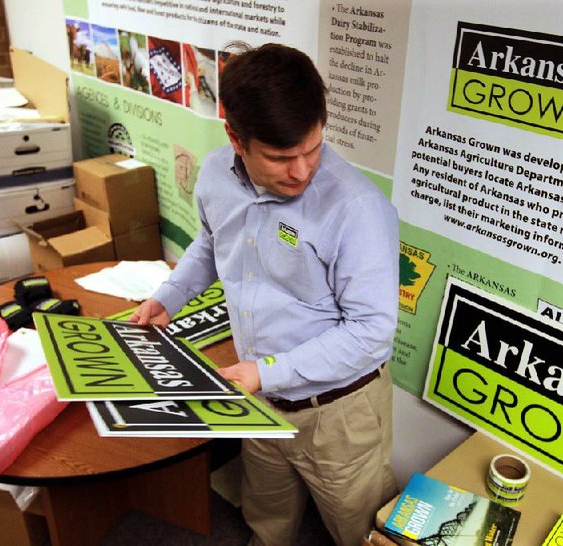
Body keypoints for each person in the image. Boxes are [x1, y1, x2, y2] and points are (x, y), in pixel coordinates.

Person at [131, 43, 399, 546]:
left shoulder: (357, 208)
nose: (301, 171)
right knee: (266, 515)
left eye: (312, 149)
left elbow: (372, 332)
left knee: (358, 528)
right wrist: (171, 295)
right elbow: (213, 244)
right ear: (235, 137)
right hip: (259, 396)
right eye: (280, 157)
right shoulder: (214, 175)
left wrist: (265, 372)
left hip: (338, 414)